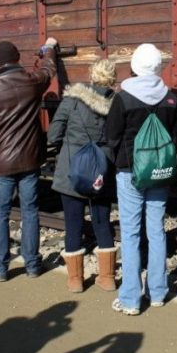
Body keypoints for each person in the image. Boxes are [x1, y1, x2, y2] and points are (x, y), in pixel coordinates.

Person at [105, 43, 177, 315]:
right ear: (158, 67)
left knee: (130, 233)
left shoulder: (123, 98)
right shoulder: (172, 98)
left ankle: (130, 299)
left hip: (130, 174)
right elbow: (176, 136)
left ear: (135, 67)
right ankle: (159, 292)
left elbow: (112, 136)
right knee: (156, 230)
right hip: (160, 173)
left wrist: (121, 162)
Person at [0, 38, 57, 282]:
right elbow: (49, 69)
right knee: (30, 211)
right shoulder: (32, 82)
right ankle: (32, 264)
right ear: (18, 57)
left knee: (1, 213)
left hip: (1, 163)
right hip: (30, 160)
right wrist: (50, 47)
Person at [47, 59, 118, 293]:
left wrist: (68, 146)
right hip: (102, 170)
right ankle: (107, 278)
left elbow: (53, 135)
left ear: (92, 76)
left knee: (73, 224)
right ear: (112, 79)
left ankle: (75, 280)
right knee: (101, 222)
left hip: (73, 171)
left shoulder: (72, 100)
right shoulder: (116, 103)